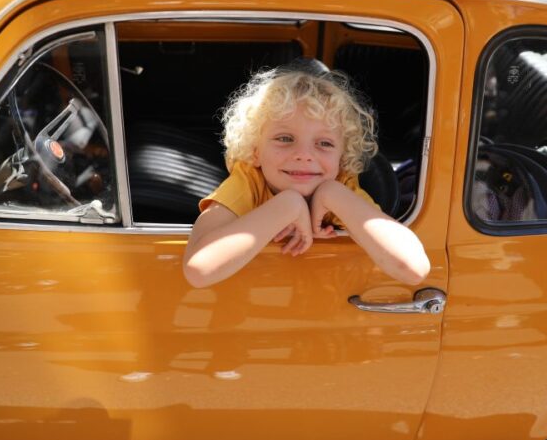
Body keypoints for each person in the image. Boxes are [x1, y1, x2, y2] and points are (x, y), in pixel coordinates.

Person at [182, 64, 430, 288]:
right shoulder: (249, 180)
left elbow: (413, 269)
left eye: (324, 143)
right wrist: (287, 205)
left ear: (342, 159)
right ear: (255, 152)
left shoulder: (340, 184)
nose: (303, 155)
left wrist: (331, 195)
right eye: (285, 139)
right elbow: (199, 270)